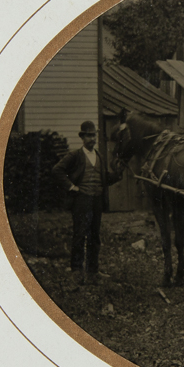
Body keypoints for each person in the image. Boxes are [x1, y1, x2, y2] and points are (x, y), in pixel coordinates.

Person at [52, 121, 121, 284]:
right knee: (79, 235)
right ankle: (76, 271)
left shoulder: (100, 157)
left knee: (94, 236)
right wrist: (71, 186)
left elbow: (104, 178)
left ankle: (92, 271)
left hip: (97, 200)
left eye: (94, 135)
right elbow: (57, 170)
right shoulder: (75, 156)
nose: (92, 139)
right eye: (88, 135)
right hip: (81, 201)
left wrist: (118, 174)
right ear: (82, 138)